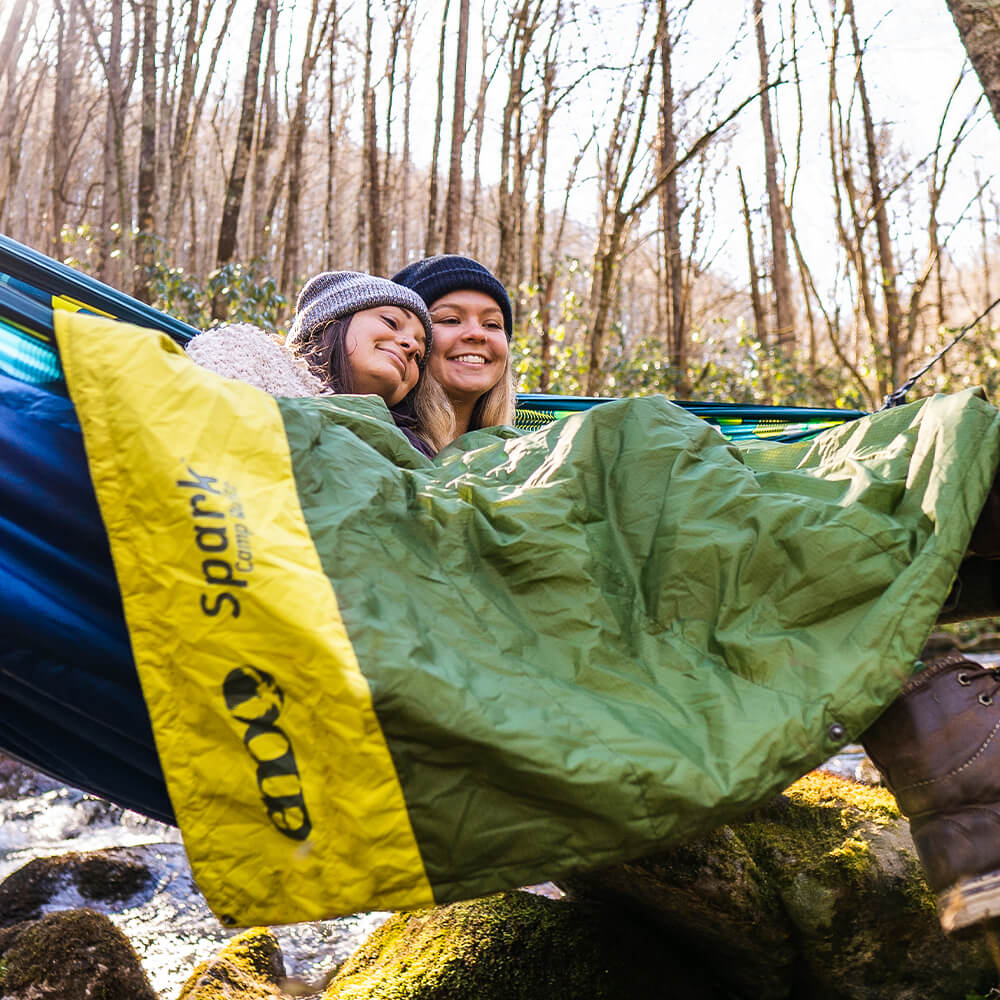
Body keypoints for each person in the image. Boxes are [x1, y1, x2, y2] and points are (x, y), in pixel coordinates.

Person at [187, 270, 450, 458]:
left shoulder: (411, 450)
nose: (411, 346)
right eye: (391, 322)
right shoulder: (244, 352)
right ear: (331, 322)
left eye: (419, 355)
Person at [392, 255, 516, 443]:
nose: (477, 334)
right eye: (451, 320)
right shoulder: (374, 442)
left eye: (492, 324)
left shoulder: (527, 449)